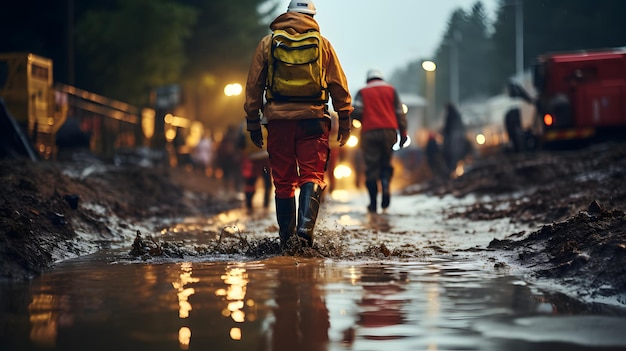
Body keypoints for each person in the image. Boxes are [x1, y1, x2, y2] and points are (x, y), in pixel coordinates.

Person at [244, 0, 353, 248]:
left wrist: (252, 121)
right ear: (312, 16)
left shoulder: (268, 43)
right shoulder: (322, 44)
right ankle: (305, 233)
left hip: (279, 121)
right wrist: (344, 121)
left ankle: (286, 241)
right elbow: (339, 86)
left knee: (283, 180)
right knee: (312, 175)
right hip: (313, 121)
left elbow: (254, 86)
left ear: (288, 14)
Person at [352, 69, 408, 213]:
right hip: (389, 132)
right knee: (386, 163)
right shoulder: (391, 90)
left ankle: (373, 204)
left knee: (371, 167)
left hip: (370, 132)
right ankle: (385, 185)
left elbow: (356, 111)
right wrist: (403, 134)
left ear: (368, 79)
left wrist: (361, 120)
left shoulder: (363, 92)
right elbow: (399, 113)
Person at [237, 120, 272, 211]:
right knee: (267, 181)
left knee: (251, 181)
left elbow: (240, 143)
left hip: (252, 158)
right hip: (265, 156)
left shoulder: (243, 125)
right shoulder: (265, 123)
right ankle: (266, 204)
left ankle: (249, 203)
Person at [441, 103, 470, 177]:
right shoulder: (457, 115)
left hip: (453, 137)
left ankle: (452, 169)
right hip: (458, 137)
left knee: (453, 152)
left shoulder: (450, 115)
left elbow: (447, 127)